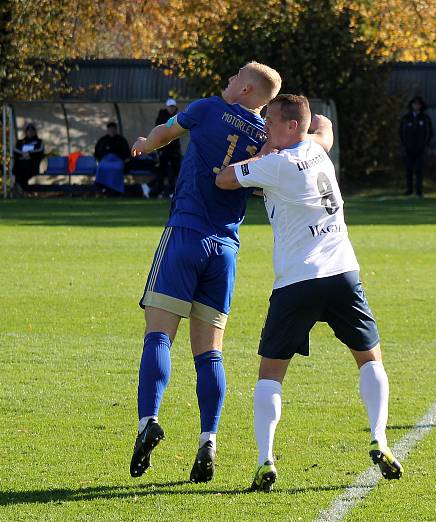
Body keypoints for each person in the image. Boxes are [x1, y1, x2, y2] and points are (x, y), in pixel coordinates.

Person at [215, 94, 403, 492]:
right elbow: (326, 131)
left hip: (297, 281)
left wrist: (264, 151)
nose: (264, 130)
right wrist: (313, 124)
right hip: (343, 274)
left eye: (270, 124)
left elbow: (224, 178)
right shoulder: (317, 151)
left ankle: (266, 460)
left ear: (290, 127)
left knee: (270, 373)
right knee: (369, 359)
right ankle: (380, 439)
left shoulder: (275, 164)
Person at [128, 62, 282, 483]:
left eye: (233, 76)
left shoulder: (208, 108)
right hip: (225, 249)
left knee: (159, 335)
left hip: (185, 234)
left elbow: (164, 134)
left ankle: (148, 422)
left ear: (245, 87)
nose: (227, 80)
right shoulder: (267, 139)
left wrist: (145, 142)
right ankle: (208, 439)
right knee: (210, 352)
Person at [399, 96, 433, 197]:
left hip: (420, 149)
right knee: (408, 170)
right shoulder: (406, 118)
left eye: (418, 104)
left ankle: (419, 191)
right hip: (408, 149)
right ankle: (409, 190)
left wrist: (425, 145)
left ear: (421, 106)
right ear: (411, 105)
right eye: (414, 104)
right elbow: (401, 132)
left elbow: (430, 133)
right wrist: (405, 145)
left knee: (419, 170)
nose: (416, 106)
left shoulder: (425, 118)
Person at [153, 98, 183, 198]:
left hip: (174, 151)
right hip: (164, 150)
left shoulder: (177, 117)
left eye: (173, 107)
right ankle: (163, 191)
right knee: (165, 171)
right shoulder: (162, 117)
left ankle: (172, 191)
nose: (172, 109)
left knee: (175, 171)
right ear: (167, 107)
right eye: (170, 107)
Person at [94, 122, 131, 195]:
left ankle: (116, 189)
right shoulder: (102, 140)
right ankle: (102, 188)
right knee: (100, 167)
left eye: (113, 129)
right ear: (107, 130)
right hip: (105, 161)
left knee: (118, 168)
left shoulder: (121, 140)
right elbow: (97, 153)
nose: (112, 131)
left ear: (116, 130)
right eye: (110, 129)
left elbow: (126, 153)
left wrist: (123, 159)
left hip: (117, 161)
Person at [12, 123, 44, 191]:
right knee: (19, 167)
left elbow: (40, 151)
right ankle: (20, 187)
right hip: (21, 162)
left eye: (32, 130)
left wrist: (29, 154)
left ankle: (20, 187)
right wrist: (22, 154)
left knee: (25, 168)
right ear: (26, 131)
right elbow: (15, 150)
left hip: (32, 164)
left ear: (35, 131)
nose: (30, 132)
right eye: (28, 130)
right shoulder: (21, 142)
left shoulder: (39, 142)